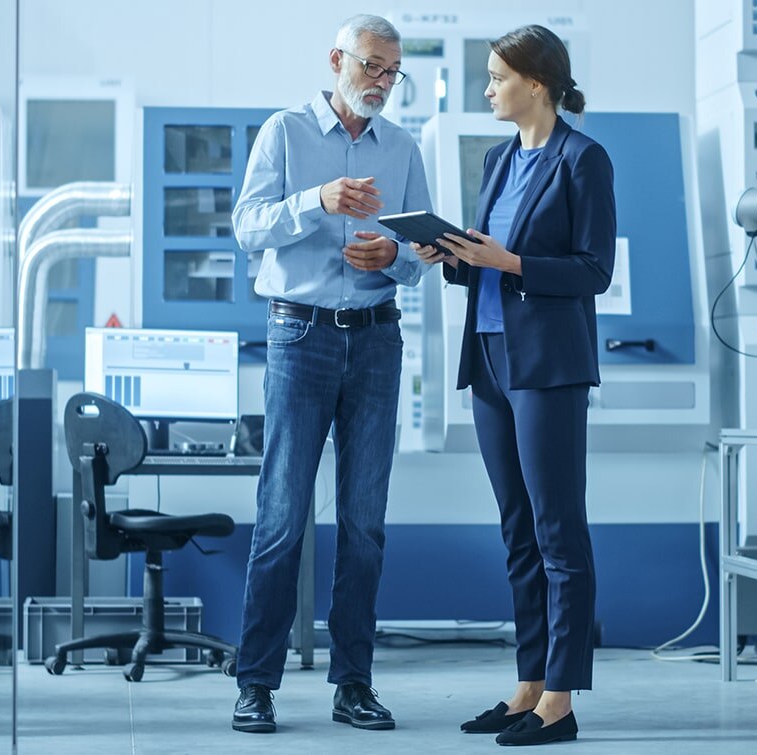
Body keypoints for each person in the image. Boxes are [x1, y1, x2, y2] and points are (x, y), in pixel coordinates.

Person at [228, 13, 432, 735]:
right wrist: (318, 200)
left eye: (391, 72)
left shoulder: (405, 147)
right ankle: (255, 682)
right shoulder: (284, 133)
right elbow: (247, 227)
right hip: (300, 334)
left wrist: (397, 261)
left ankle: (354, 683)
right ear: (336, 59)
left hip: (378, 340)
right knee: (282, 518)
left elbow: (422, 253)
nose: (381, 83)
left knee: (364, 524)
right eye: (371, 66)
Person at [413, 24, 615, 747]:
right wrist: (451, 255)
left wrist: (514, 261)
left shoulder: (583, 160)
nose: (488, 88)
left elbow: (594, 271)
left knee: (558, 529)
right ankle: (528, 680)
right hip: (492, 357)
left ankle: (561, 696)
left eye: (498, 76)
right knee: (518, 529)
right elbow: (486, 262)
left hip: (549, 365)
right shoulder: (499, 159)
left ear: (536, 83)